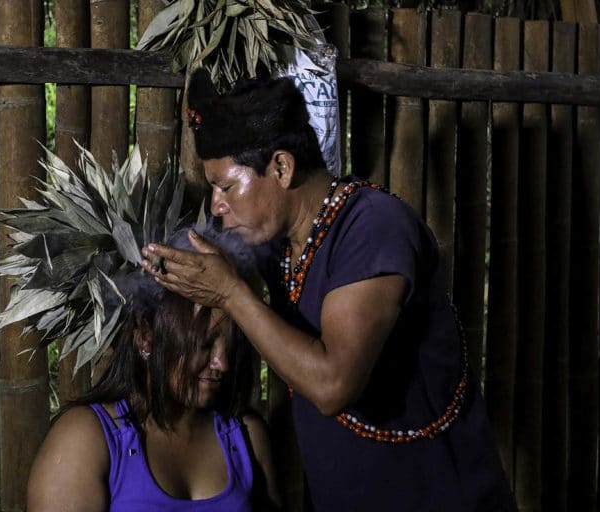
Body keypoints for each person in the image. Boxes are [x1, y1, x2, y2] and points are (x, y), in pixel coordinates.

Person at [141, 68, 517, 511]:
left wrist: (230, 294)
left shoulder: (373, 227)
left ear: (281, 167)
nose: (217, 205)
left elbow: (332, 383)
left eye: (226, 186)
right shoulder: (280, 242)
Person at [27, 286, 281, 511]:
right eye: (204, 344)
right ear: (146, 338)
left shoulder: (246, 436)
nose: (222, 363)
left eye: (230, 346)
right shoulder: (84, 438)